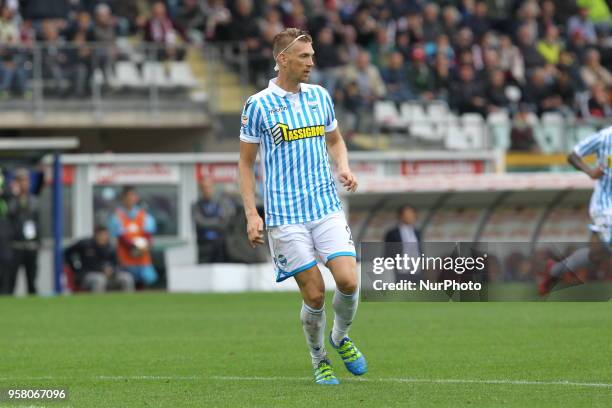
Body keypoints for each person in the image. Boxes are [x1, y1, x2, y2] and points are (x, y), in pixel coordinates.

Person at [238, 28, 366, 385]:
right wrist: (252, 213)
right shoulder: (258, 105)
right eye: (304, 57)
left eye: (311, 56)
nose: (312, 62)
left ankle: (339, 338)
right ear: (283, 59)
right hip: (284, 216)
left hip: (325, 206)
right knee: (314, 293)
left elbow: (336, 140)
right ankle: (319, 358)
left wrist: (343, 166)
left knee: (348, 280)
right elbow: (245, 164)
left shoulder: (320, 97)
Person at [539, 126, 612, 296]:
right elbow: (573, 155)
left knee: (596, 254)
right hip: (606, 205)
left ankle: (555, 270)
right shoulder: (604, 137)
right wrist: (590, 172)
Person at [108, 186, 157, 287]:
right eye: (128, 196)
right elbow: (120, 237)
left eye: (133, 196)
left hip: (143, 259)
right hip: (125, 259)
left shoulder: (144, 216)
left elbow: (148, 235)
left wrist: (144, 247)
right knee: (127, 282)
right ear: (123, 198)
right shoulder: (117, 217)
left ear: (136, 198)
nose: (131, 199)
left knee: (147, 280)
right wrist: (133, 248)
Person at [65, 225, 134, 292]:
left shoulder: (111, 247)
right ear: (95, 235)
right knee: (99, 279)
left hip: (110, 276)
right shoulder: (85, 244)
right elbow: (67, 252)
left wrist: (113, 270)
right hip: (89, 275)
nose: (103, 237)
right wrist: (74, 268)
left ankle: (128, 303)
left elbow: (117, 264)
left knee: (127, 278)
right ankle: (98, 303)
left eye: (105, 235)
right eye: (101, 235)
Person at [6, 168, 40, 295]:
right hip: (15, 246)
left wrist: (38, 242)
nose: (22, 183)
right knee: (10, 281)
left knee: (31, 280)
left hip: (31, 247)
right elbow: (10, 215)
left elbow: (38, 222)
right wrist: (15, 195)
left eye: (25, 180)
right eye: (19, 180)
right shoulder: (10, 200)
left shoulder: (34, 200)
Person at [192, 178, 234, 263]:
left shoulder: (222, 203)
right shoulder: (196, 205)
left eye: (209, 187)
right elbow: (200, 223)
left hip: (221, 246)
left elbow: (226, 222)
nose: (207, 190)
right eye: (204, 187)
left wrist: (209, 222)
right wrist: (217, 221)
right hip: (204, 246)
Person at [384, 205, 422, 281]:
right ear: (401, 216)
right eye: (407, 214)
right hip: (399, 266)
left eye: (412, 214)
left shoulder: (417, 232)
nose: (410, 217)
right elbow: (388, 251)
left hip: (415, 265)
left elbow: (419, 249)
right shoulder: (392, 233)